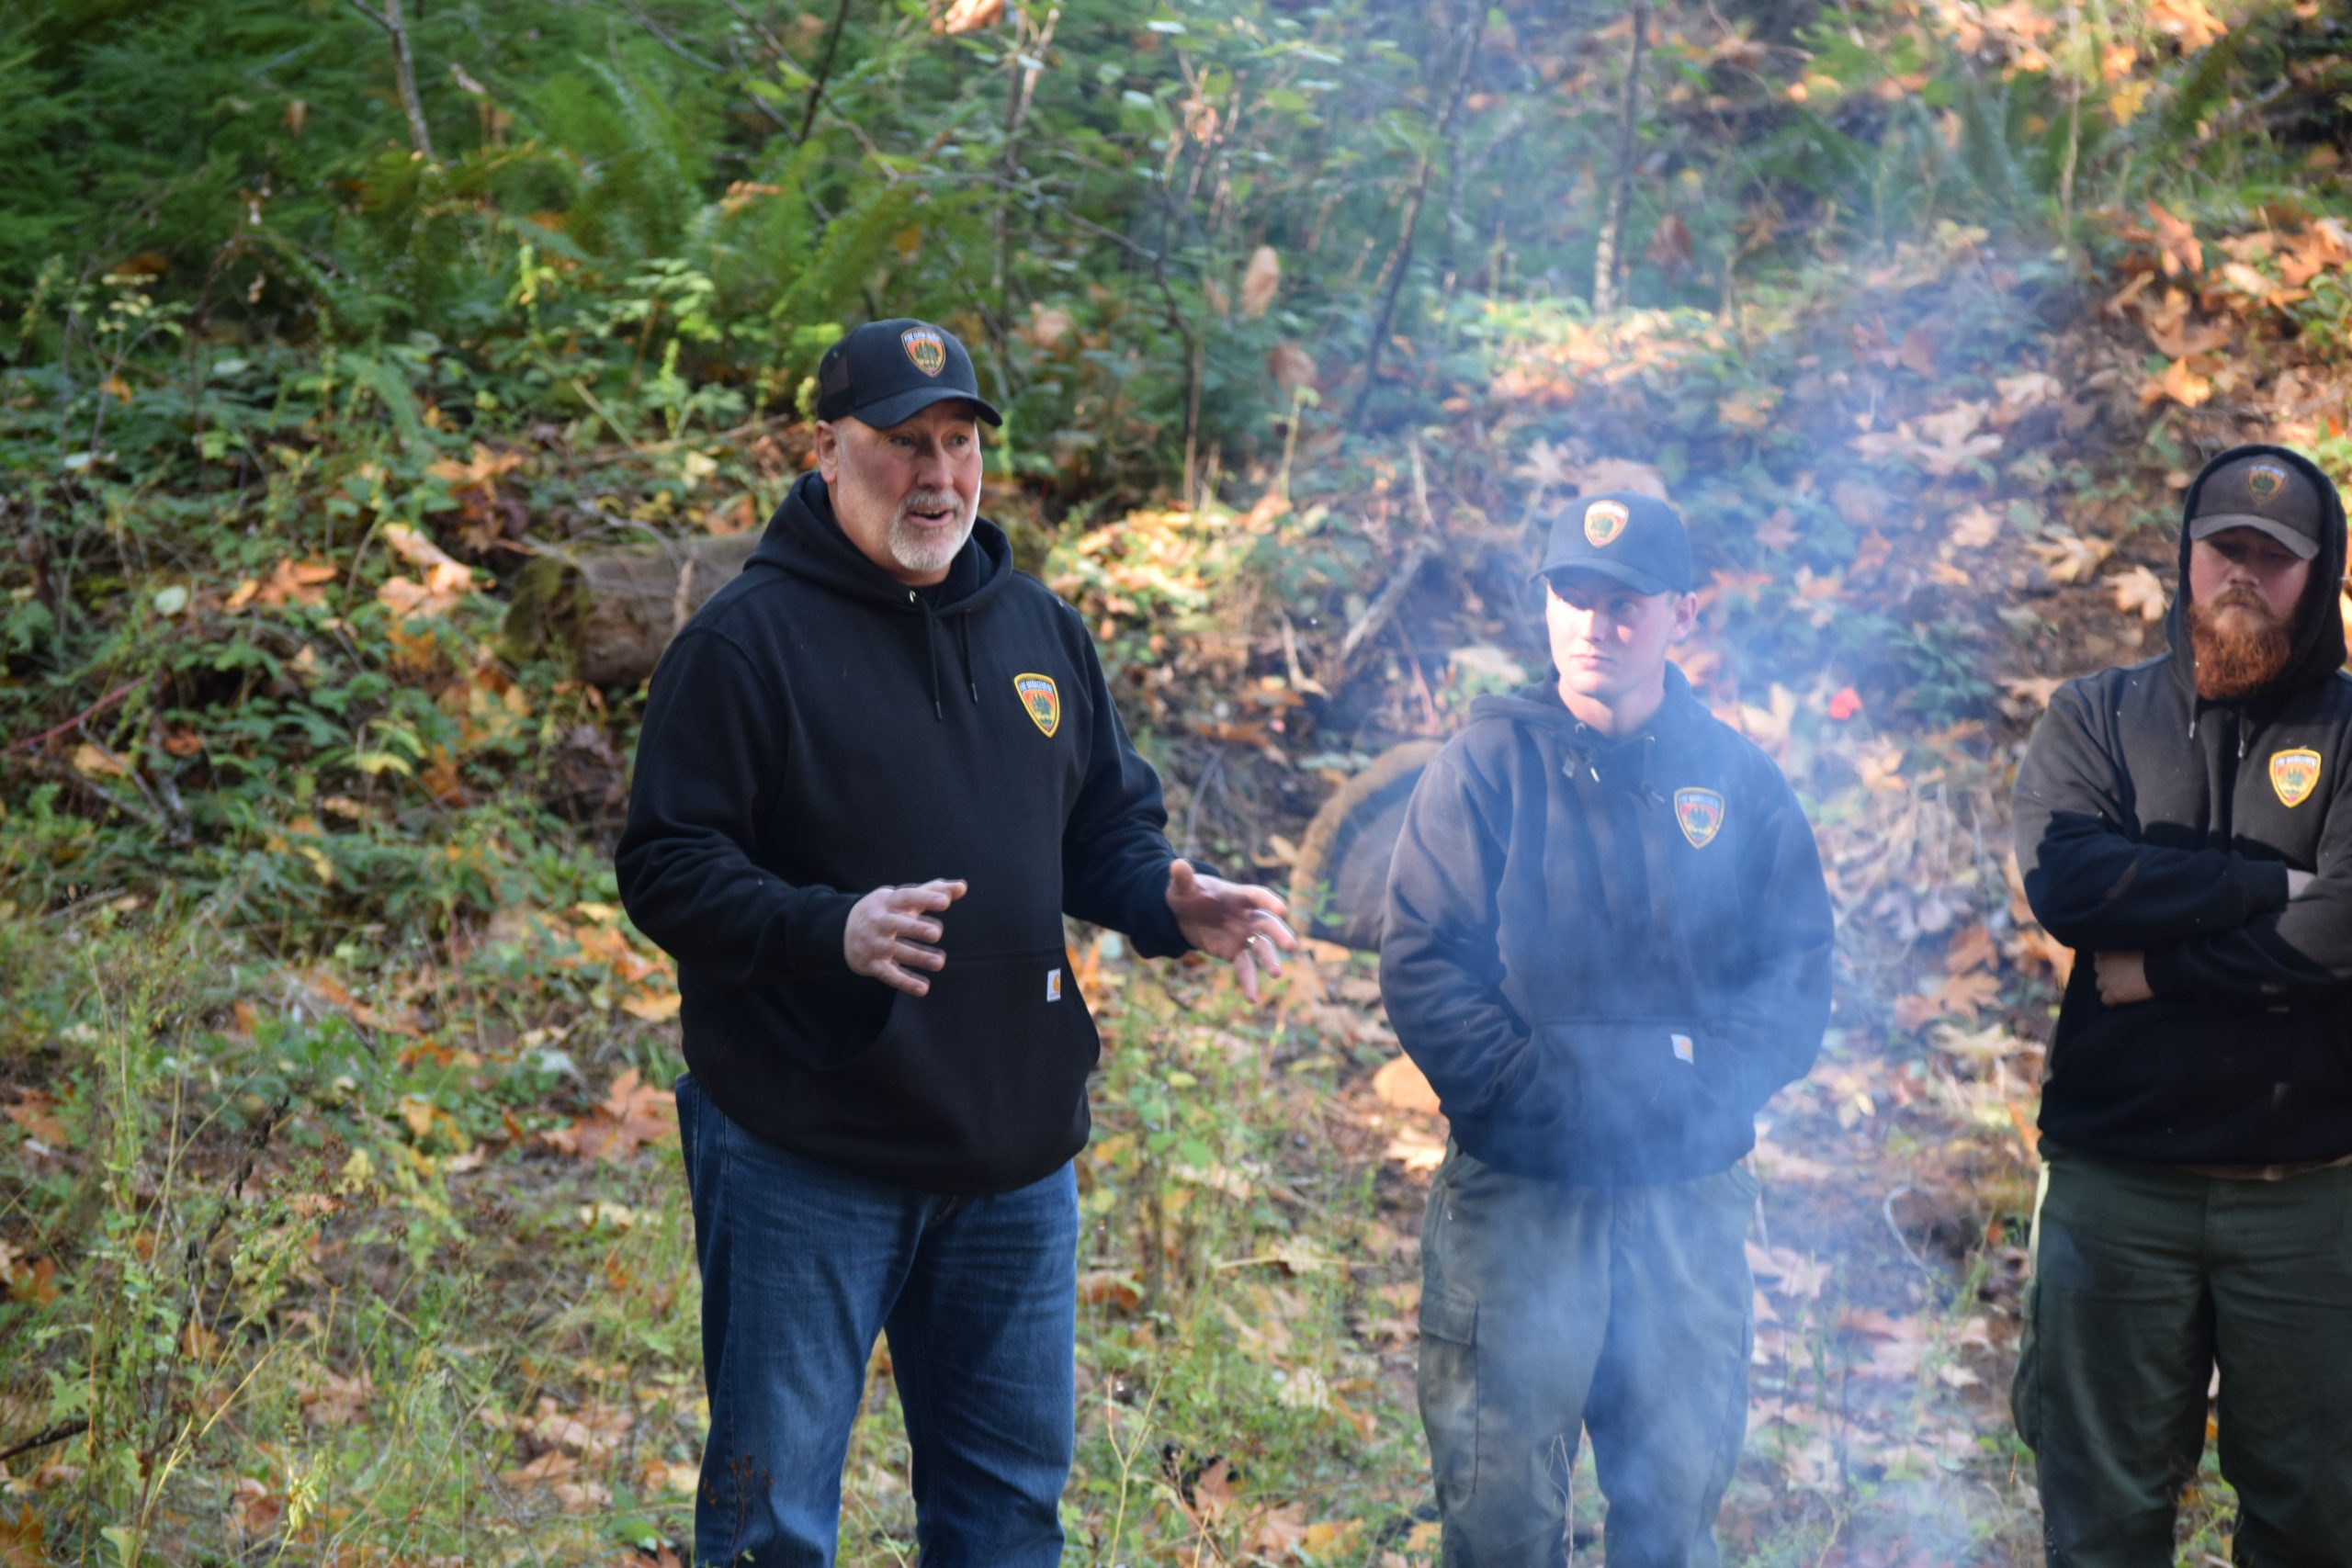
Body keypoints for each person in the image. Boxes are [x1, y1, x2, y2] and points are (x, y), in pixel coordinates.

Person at [613, 318, 1297, 1566]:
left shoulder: (1038, 629)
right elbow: (666, 865)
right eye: (903, 443)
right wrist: (830, 928)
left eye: (959, 443)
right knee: (772, 1528)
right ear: (826, 449)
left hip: (1011, 1161)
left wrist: (1166, 902)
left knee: (1006, 1520)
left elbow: (1099, 828)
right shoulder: (744, 646)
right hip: (806, 1150)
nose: (938, 475)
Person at [1379, 491, 1834, 1566]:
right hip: (1518, 1198)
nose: (1596, 624)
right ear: (1544, 607)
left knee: (1670, 1519)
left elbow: (1794, 971)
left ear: (1682, 613)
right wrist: (1540, 1100)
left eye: (1624, 602)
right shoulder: (1484, 765)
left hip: (1685, 1202)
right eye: (1572, 597)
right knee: (1498, 1519)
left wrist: (1698, 1098)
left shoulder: (1736, 780)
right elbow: (1424, 963)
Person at [2010, 443, 2352, 1564]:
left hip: (2309, 1196)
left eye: (2273, 555)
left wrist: (2155, 967)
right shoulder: (2094, 717)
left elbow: (2345, 925)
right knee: (2101, 1521)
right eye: (2223, 549)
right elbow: (2070, 886)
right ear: (2186, 558)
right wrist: (2271, 887)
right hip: (2116, 1186)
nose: (2243, 572)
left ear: (2321, 574)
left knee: (2316, 1520)